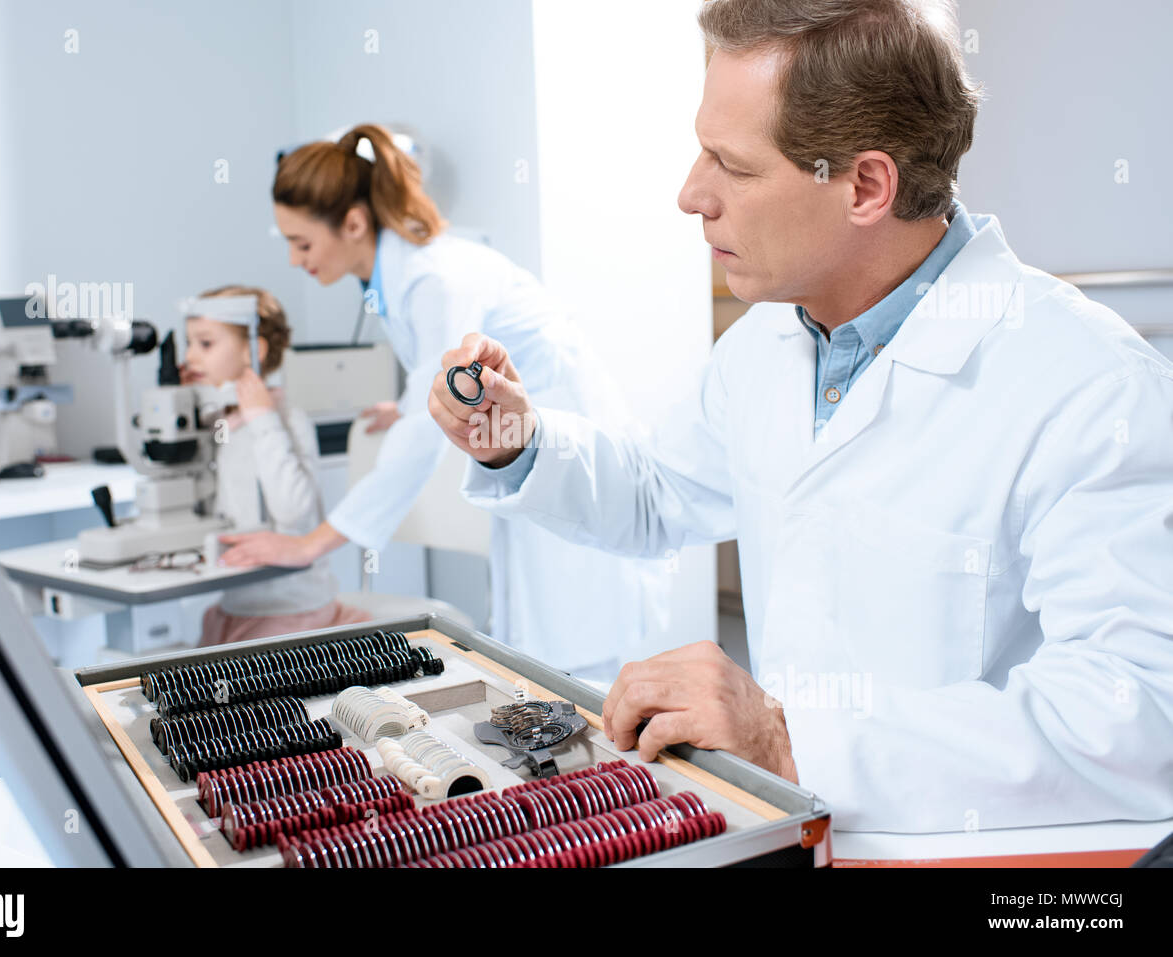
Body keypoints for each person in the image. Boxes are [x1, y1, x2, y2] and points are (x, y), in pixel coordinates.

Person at [426, 0, 1173, 832]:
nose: (689, 194)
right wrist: (513, 439)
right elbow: (654, 494)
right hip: (798, 829)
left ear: (865, 185)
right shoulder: (771, 342)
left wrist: (788, 740)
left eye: (732, 166)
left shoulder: (1089, 385)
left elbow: (1139, 715)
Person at [217, 124, 666, 683]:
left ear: (353, 223)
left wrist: (312, 543)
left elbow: (425, 432)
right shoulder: (394, 275)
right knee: (543, 641)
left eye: (301, 243)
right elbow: (434, 377)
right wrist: (407, 407)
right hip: (525, 445)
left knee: (576, 636)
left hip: (562, 442)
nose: (292, 259)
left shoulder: (434, 278)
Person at [180, 284, 370, 645]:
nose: (190, 356)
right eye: (188, 343)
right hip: (236, 604)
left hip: (291, 611)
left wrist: (262, 419)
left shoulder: (284, 420)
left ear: (255, 350)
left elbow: (294, 512)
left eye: (205, 344)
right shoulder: (223, 423)